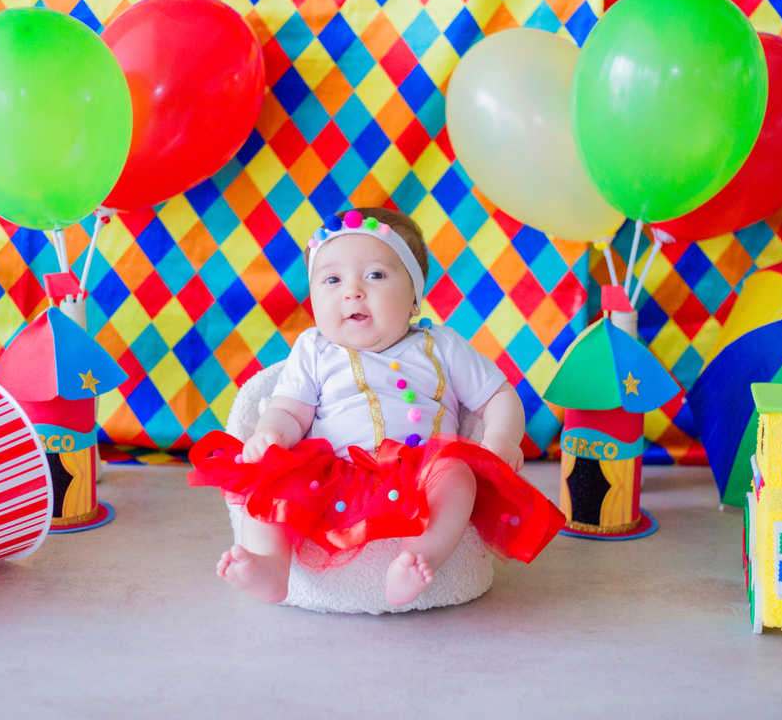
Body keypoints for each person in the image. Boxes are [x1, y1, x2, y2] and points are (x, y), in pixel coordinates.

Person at [188, 207, 565, 606]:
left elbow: (499, 394)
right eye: (332, 279)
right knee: (267, 477)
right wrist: (271, 432)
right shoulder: (315, 349)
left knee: (458, 477)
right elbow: (289, 408)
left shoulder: (441, 346)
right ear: (314, 300)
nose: (352, 291)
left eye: (376, 276)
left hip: (420, 472)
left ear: (415, 298)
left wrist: (502, 438)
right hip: (335, 474)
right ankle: (269, 565)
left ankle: (418, 557)